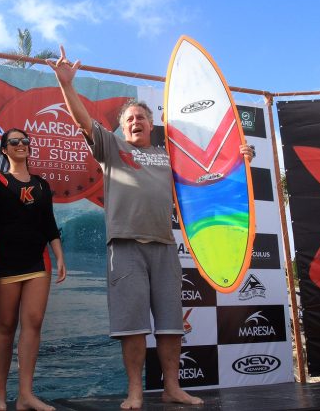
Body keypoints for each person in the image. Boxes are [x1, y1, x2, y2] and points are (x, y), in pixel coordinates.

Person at [47, 47, 254, 409]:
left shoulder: (167, 156)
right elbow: (82, 120)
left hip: (163, 246)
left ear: (151, 124)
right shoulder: (110, 147)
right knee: (132, 325)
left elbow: (211, 172)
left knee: (172, 324)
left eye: (141, 118)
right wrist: (67, 86)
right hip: (125, 247)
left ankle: (173, 388)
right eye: (129, 119)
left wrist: (241, 157)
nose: (135, 122)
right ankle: (135, 392)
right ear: (121, 126)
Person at [0, 128, 67, 411]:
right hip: (5, 260)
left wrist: (60, 257)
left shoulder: (41, 184)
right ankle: (0, 396)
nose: (21, 145)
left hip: (38, 262)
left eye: (25, 141)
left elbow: (50, 225)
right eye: (14, 142)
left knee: (33, 324)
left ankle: (25, 395)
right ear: (4, 149)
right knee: (5, 326)